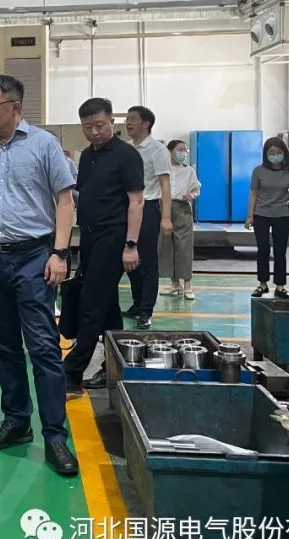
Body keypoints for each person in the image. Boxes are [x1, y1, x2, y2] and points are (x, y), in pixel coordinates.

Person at [0, 75, 78, 477]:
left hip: (33, 255)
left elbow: (65, 201)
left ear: (15, 107)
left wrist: (59, 253)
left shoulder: (44, 144)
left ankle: (55, 436)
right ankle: (16, 421)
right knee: (4, 345)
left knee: (43, 347)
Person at [62, 98, 144, 395]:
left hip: (114, 237)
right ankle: (116, 367)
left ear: (112, 121)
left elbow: (136, 201)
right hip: (89, 237)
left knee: (92, 303)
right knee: (107, 306)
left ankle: (71, 372)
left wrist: (131, 245)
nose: (94, 132)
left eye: (99, 125)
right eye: (87, 127)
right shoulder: (87, 156)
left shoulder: (127, 155)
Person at [123, 106, 172, 330]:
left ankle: (146, 310)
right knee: (129, 258)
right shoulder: (126, 148)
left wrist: (166, 218)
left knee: (148, 262)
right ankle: (137, 302)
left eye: (133, 119)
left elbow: (165, 184)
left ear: (146, 124)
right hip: (127, 208)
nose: (128, 123)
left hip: (149, 208)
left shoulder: (158, 150)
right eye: (127, 119)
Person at [246, 137, 289, 299]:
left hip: (282, 215)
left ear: (284, 153)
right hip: (261, 215)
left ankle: (280, 286)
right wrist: (250, 215)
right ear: (266, 154)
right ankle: (262, 284)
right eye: (271, 152)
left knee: (280, 251)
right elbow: (253, 193)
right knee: (263, 250)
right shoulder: (258, 171)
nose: (275, 155)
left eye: (278, 152)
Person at [159, 140, 201, 300]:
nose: (183, 153)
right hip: (164, 207)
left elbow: (196, 189)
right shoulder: (162, 170)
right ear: (170, 152)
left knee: (184, 246)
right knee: (167, 246)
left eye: (185, 150)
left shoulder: (189, 171)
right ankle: (174, 283)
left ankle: (188, 284)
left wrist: (192, 195)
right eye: (180, 149)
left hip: (182, 208)